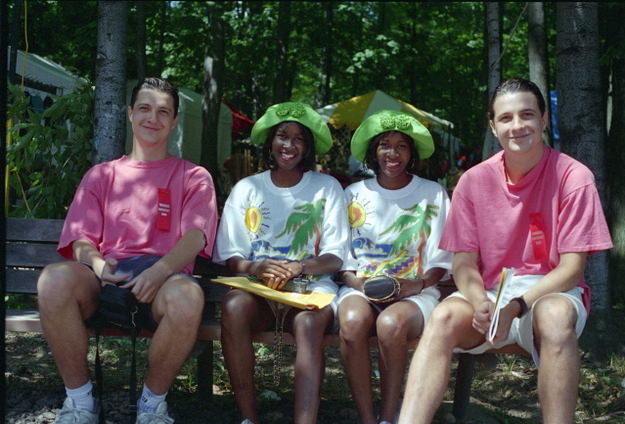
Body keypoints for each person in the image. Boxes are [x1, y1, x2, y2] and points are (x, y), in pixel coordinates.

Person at [398, 78, 613, 424]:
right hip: (489, 291)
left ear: (544, 120)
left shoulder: (574, 176)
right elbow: (464, 262)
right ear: (493, 126)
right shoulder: (474, 180)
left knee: (555, 317)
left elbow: (572, 268)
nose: (517, 126)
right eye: (506, 118)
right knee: (442, 317)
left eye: (527, 115)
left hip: (549, 291)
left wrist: (516, 306)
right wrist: (480, 300)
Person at [37, 77, 218, 424]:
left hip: (164, 283)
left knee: (188, 296)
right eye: (145, 108)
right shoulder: (101, 175)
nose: (154, 118)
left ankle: (152, 407)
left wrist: (160, 271)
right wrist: (99, 266)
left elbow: (196, 237)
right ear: (130, 113)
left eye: (164, 111)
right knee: (54, 280)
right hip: (104, 280)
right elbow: (80, 241)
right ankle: (80, 403)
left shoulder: (194, 176)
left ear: (175, 120)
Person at [213, 102, 349, 424]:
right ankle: (249, 418)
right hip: (259, 292)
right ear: (270, 142)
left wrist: (300, 267)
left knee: (307, 323)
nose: (289, 145)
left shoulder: (326, 187)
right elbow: (232, 256)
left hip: (309, 292)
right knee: (233, 306)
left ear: (309, 146)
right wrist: (256, 268)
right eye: (282, 136)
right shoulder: (248, 188)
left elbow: (336, 254)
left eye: (299, 138)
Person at [337, 110, 452, 424]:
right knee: (350, 321)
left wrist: (415, 285)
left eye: (402, 146)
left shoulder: (432, 194)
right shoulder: (352, 195)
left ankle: (388, 416)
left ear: (412, 152)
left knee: (391, 324)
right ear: (373, 151)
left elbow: (443, 259)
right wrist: (358, 284)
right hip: (360, 289)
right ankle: (366, 418)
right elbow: (341, 259)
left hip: (417, 293)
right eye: (385, 144)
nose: (393, 153)